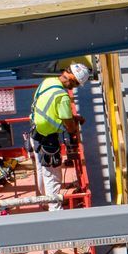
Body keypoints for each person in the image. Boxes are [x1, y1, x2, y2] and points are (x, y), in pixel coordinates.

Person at [30, 62, 91, 210]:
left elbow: (48, 109)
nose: (74, 88)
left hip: (35, 133)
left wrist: (72, 118)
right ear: (72, 79)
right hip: (48, 142)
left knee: (41, 169)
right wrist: (73, 127)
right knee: (53, 177)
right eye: (75, 84)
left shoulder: (48, 82)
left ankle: (44, 199)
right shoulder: (62, 96)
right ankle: (55, 211)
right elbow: (69, 126)